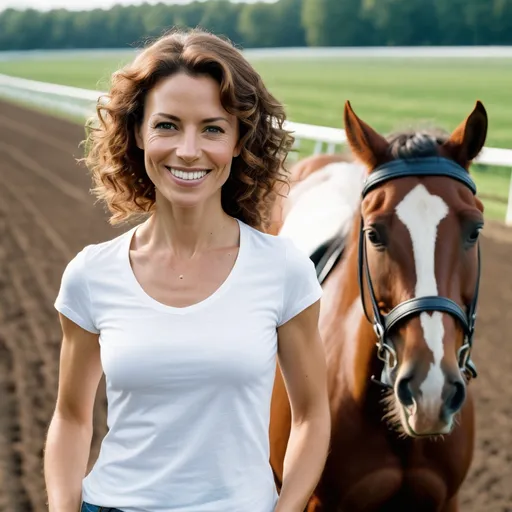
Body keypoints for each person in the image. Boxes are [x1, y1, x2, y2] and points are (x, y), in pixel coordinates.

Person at [43, 27, 330, 512]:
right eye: (167, 125)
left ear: (239, 141)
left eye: (213, 128)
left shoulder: (283, 270)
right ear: (137, 133)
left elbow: (311, 415)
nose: (189, 150)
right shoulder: (91, 275)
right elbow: (72, 418)